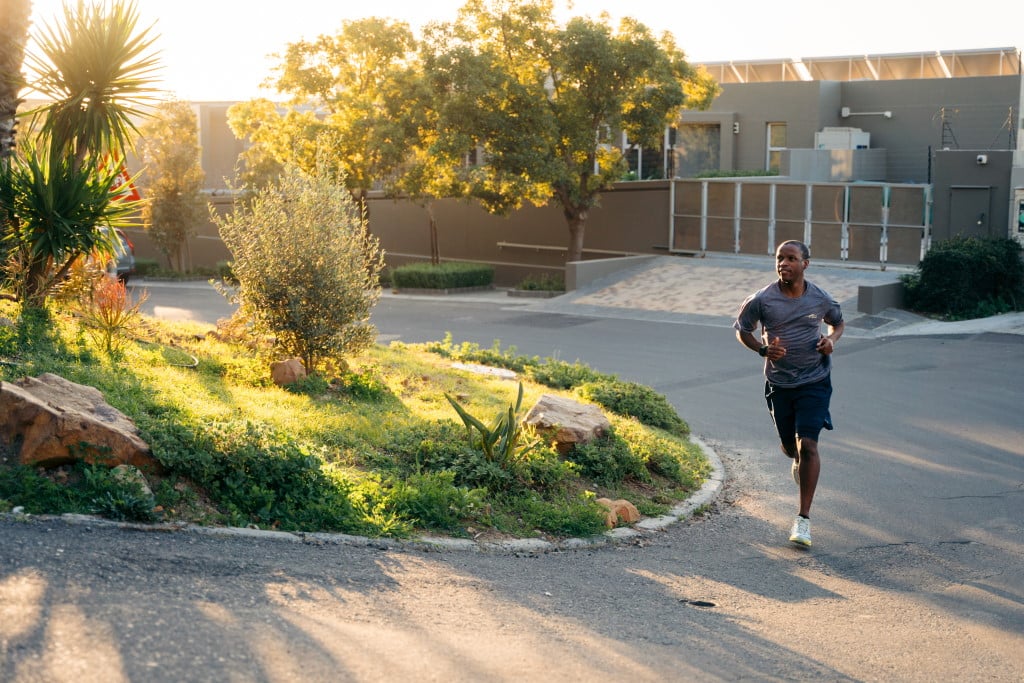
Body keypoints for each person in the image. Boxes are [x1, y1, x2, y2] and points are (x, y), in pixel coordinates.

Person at [733, 240, 845, 547]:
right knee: (790, 447)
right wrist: (763, 349)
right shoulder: (762, 299)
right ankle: (795, 456)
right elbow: (742, 329)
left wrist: (831, 340)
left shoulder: (819, 298)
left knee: (808, 443)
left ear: (805, 264)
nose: (784, 263)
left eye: (791, 258)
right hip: (779, 385)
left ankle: (803, 520)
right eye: (780, 258)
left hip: (815, 380)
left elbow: (837, 323)